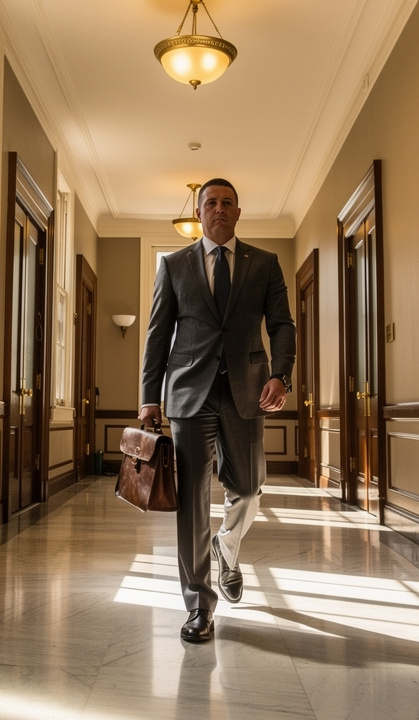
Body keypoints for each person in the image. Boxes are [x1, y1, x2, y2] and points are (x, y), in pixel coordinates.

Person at [138, 178, 295, 643]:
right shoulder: (174, 265)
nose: (218, 209)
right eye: (211, 202)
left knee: (248, 487)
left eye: (227, 202)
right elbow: (156, 334)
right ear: (199, 211)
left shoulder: (264, 264)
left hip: (248, 390)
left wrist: (280, 375)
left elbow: (282, 325)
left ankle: (228, 546)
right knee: (191, 499)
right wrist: (150, 395)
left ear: (238, 212)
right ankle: (198, 606)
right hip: (190, 393)